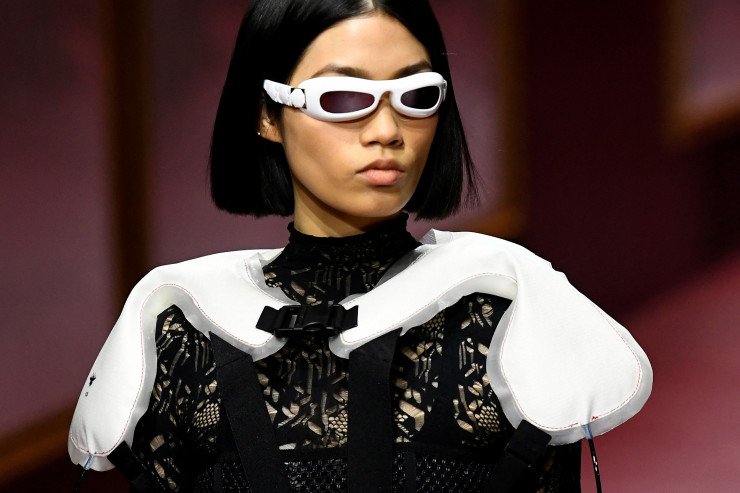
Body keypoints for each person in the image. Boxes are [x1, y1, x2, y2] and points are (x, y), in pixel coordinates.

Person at [68, 0, 651, 491]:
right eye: (343, 98)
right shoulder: (181, 329)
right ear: (267, 114)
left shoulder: (505, 315)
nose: (387, 131)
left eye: (416, 95)